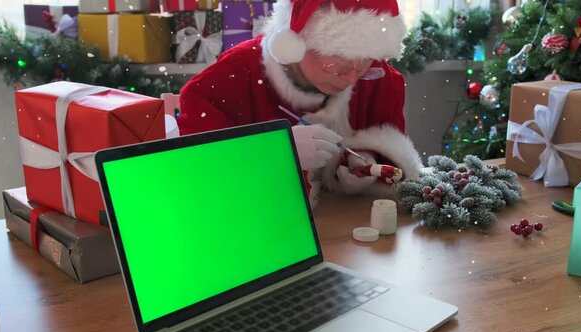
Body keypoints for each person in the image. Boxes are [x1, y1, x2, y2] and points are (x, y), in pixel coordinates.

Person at [178, 0, 423, 204]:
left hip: (348, 236)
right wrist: (276, 153)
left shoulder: (380, 81)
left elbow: (396, 172)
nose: (351, 78)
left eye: (364, 65)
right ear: (294, 44)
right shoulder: (231, 78)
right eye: (339, 65)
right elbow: (198, 169)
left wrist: (365, 161)